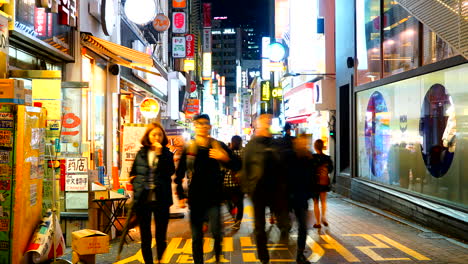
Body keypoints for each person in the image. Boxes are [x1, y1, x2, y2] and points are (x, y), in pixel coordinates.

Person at [175, 114, 240, 264]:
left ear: (210, 126)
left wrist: (225, 158)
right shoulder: (190, 148)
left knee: (217, 234)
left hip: (214, 198)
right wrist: (180, 195)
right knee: (197, 237)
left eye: (206, 123)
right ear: (195, 126)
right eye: (199, 123)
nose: (203, 126)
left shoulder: (218, 145)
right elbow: (179, 174)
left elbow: (237, 164)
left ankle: (217, 259)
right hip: (196, 199)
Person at [241, 114, 290, 264]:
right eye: (264, 122)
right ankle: (263, 256)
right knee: (259, 226)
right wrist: (249, 189)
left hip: (276, 189)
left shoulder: (276, 143)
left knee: (285, 222)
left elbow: (283, 165)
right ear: (258, 126)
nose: (267, 125)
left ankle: (284, 231)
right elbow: (245, 168)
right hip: (258, 190)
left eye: (269, 122)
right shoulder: (251, 146)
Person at [129, 122, 176, 264]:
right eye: (154, 134)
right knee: (145, 236)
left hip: (162, 199)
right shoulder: (141, 153)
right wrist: (136, 181)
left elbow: (170, 172)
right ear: (148, 136)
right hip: (143, 200)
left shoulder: (167, 154)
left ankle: (160, 259)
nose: (157, 137)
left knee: (161, 234)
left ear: (163, 137)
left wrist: (160, 155)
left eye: (159, 134)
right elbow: (133, 173)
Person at [223, 135, 244, 230]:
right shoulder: (243, 152)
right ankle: (238, 221)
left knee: (227, 200)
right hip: (240, 182)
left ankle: (233, 211)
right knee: (240, 203)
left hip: (228, 181)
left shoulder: (228, 152)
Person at [312, 139, 334, 228]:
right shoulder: (327, 158)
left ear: (315, 147)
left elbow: (309, 170)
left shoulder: (312, 157)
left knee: (316, 202)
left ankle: (318, 222)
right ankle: (323, 217)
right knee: (323, 200)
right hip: (324, 181)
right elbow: (331, 170)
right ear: (322, 147)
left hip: (314, 182)